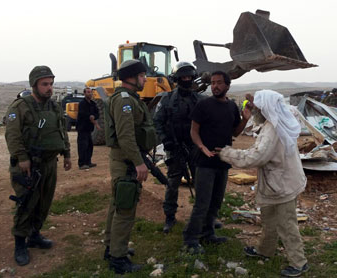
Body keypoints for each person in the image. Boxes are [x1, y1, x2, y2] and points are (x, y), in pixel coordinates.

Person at [218, 90, 309, 277]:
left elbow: (257, 156)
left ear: (265, 107)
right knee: (269, 219)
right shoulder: (279, 119)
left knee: (286, 224)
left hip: (282, 183)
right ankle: (265, 251)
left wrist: (227, 153)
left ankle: (299, 263)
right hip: (280, 181)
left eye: (257, 106)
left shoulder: (272, 129)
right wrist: (251, 103)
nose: (254, 109)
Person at [5, 65, 71, 266]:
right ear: (34, 85)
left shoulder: (53, 107)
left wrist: (67, 153)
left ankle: (34, 235)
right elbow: (13, 135)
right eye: (44, 84)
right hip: (29, 165)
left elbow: (62, 130)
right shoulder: (20, 107)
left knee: (44, 202)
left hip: (50, 163)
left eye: (51, 84)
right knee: (27, 203)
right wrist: (22, 157)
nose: (49, 88)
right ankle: (20, 242)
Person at [182, 70, 251, 254]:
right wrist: (202, 147)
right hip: (205, 161)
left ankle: (208, 233)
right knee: (202, 202)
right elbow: (193, 131)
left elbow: (234, 133)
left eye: (219, 82)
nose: (215, 86)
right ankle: (190, 239)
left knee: (216, 201)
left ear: (227, 86)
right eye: (212, 83)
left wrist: (245, 119)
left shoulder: (231, 107)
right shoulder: (204, 105)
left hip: (223, 160)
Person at [103, 59, 156, 274]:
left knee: (117, 204)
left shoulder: (131, 99)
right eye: (142, 76)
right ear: (132, 78)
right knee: (125, 209)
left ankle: (111, 247)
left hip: (125, 159)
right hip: (126, 161)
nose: (145, 79)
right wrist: (138, 162)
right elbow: (125, 137)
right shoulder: (125, 100)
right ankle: (118, 258)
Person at [154, 61, 204, 233]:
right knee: (173, 183)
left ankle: (203, 218)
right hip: (174, 148)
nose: (186, 80)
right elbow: (157, 122)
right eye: (183, 77)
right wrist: (165, 140)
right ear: (177, 79)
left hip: (195, 148)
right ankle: (170, 217)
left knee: (200, 183)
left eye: (189, 77)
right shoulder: (167, 99)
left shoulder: (199, 99)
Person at [77, 87, 100, 170]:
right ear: (84, 93)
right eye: (88, 92)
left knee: (90, 146)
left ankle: (88, 162)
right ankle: (82, 164)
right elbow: (83, 114)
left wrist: (94, 116)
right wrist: (90, 116)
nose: (90, 94)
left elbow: (97, 113)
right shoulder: (82, 104)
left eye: (90, 92)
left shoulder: (93, 104)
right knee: (83, 146)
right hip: (82, 128)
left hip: (89, 129)